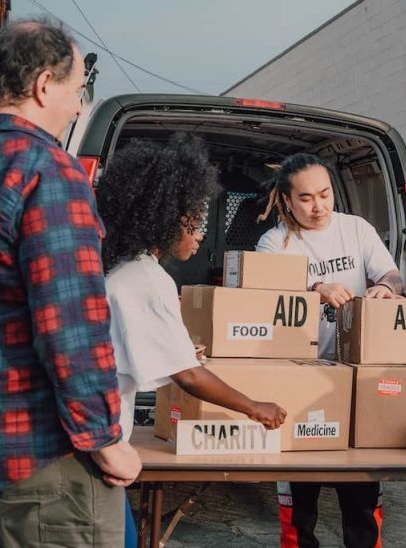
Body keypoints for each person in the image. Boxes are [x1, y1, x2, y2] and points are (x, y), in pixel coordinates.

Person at [0, 19, 141, 546]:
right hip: (41, 459)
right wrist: (104, 437)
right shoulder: (47, 170)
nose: (76, 106)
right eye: (77, 91)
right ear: (45, 85)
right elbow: (70, 324)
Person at [95, 134, 287, 547]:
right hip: (99, 445)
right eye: (193, 221)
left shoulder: (125, 270)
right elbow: (189, 377)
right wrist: (256, 407)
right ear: (162, 217)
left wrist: (182, 354)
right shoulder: (147, 279)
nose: (200, 234)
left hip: (99, 440)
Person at [256, 152, 402, 548]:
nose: (319, 206)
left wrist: (386, 288)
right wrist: (315, 289)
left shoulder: (356, 229)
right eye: (306, 198)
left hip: (356, 377)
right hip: (297, 378)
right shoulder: (274, 243)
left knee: (359, 491)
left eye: (324, 194)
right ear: (287, 200)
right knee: (301, 494)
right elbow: (262, 293)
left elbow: (392, 273)